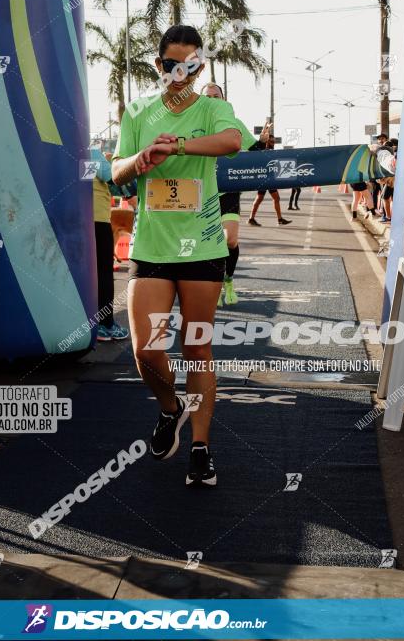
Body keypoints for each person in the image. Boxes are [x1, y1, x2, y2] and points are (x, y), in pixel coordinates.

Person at [112, 25, 242, 488]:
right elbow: (116, 169)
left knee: (196, 349)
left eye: (189, 64)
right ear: (158, 64)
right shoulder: (140, 110)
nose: (179, 72)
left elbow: (232, 141)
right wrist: (142, 158)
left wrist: (179, 146)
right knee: (146, 351)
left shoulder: (212, 106)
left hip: (203, 245)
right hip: (152, 246)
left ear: (200, 66)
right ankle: (170, 410)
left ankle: (202, 449)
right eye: (171, 64)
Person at [201, 82, 241, 306]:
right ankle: (215, 286)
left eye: (217, 96)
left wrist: (263, 142)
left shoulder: (234, 123)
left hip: (229, 192)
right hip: (202, 192)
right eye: (208, 96)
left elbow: (255, 152)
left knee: (230, 240)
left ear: (224, 100)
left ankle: (229, 281)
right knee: (208, 244)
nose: (213, 99)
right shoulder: (193, 122)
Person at [92, 147, 129, 342]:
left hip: (72, 222)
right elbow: (115, 180)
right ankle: (105, 324)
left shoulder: (62, 152)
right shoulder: (92, 153)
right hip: (97, 222)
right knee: (103, 273)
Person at [247, 130, 291, 226]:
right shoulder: (263, 151)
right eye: (271, 142)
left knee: (269, 198)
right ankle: (252, 218)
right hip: (264, 178)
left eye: (274, 142)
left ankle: (278, 219)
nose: (273, 143)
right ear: (267, 142)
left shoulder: (271, 152)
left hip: (269, 178)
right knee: (262, 198)